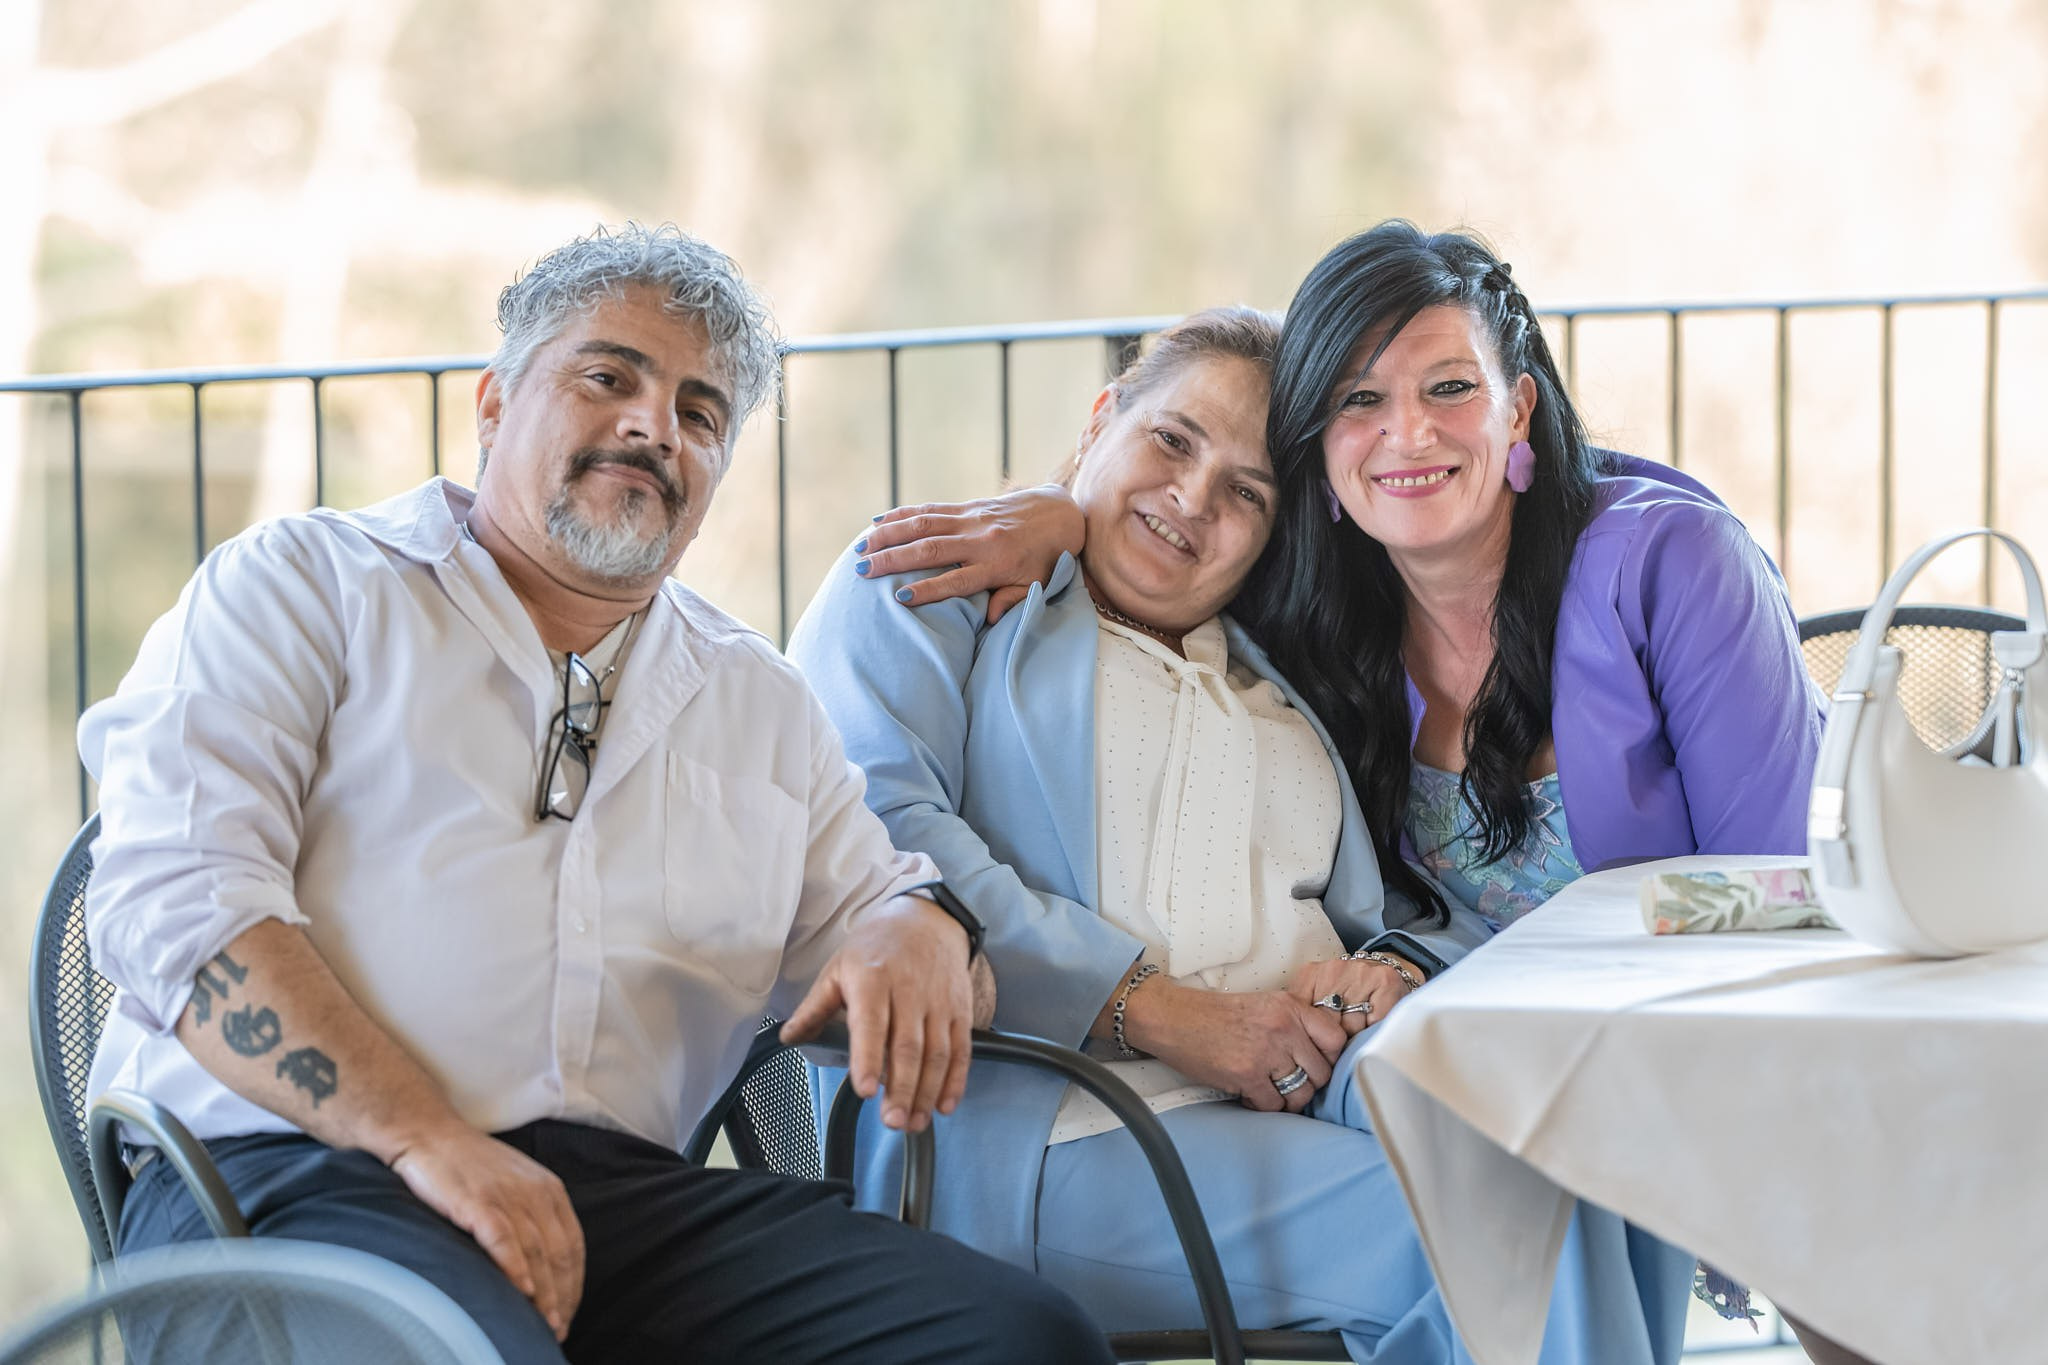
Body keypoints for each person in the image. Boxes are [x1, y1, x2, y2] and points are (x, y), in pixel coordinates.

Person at [80, 223, 1111, 1365]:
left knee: (1017, 1341)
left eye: (700, 412)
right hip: (291, 1173)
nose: (651, 426)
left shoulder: (757, 702)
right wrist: (427, 1140)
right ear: (492, 403)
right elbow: (184, 908)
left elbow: (883, 922)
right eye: (608, 376)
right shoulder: (304, 587)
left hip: (618, 1211)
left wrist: (924, 926)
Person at [788, 307, 1693, 1363]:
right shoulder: (943, 584)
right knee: (1502, 1238)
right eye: (1170, 442)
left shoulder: (1280, 676)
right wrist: (1166, 1014)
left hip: (1320, 1089)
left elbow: (1400, 908)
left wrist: (1390, 970)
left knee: (1609, 1163)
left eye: (1246, 494)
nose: (1189, 500)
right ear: (1097, 425)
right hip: (1071, 1123)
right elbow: (881, 837)